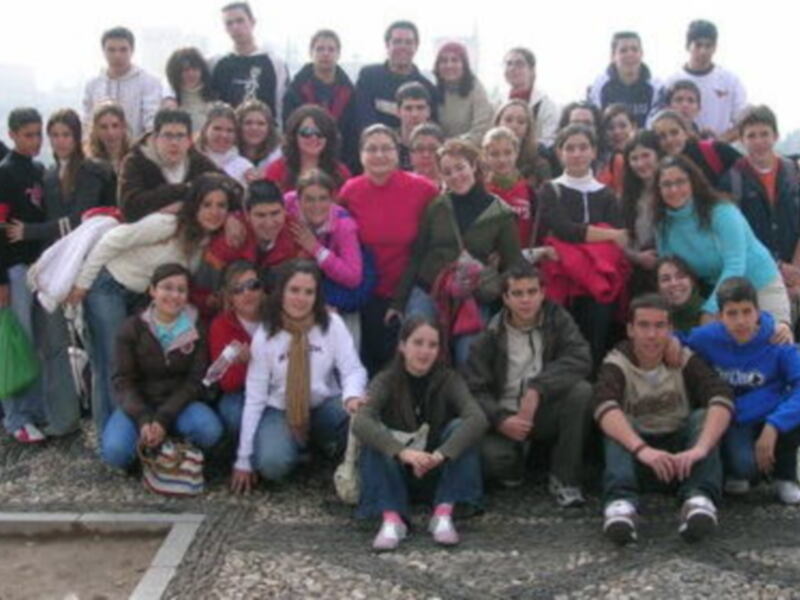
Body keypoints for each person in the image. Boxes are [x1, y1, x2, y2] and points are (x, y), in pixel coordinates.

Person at [67, 173, 238, 434]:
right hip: (109, 284)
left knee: (132, 361)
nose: (214, 212)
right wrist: (83, 283)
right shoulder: (168, 224)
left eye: (221, 206)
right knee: (111, 361)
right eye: (207, 204)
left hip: (143, 295)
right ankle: (110, 434)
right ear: (194, 204)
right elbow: (112, 241)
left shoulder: (204, 241)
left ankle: (140, 432)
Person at [594, 294, 734, 545]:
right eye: (644, 325)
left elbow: (721, 395)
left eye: (660, 326)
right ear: (630, 329)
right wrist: (643, 450)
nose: (652, 335)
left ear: (670, 329)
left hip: (682, 459)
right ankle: (621, 504)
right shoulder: (617, 362)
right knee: (617, 422)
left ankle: (698, 500)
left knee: (703, 416)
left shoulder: (684, 357)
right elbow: (603, 405)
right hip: (638, 458)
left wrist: (700, 449)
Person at [353, 316, 488, 550]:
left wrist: (441, 454)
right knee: (375, 434)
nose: (425, 351)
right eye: (417, 343)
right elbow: (361, 422)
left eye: (432, 345)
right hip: (397, 471)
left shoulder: (449, 378)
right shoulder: (386, 379)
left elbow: (477, 418)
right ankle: (392, 519)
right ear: (402, 346)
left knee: (461, 429)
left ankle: (444, 514)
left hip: (435, 469)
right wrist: (402, 452)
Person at [231, 260, 367, 491]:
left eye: (308, 292)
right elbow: (255, 398)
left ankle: (323, 445)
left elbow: (353, 369)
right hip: (280, 409)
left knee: (361, 416)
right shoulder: (265, 334)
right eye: (294, 290)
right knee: (273, 465)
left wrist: (352, 396)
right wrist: (243, 459)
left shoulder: (332, 324)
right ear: (281, 293)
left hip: (324, 404)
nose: (301, 298)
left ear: (317, 296)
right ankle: (298, 447)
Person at [464, 262, 593, 505]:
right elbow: (475, 389)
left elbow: (580, 357)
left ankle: (565, 479)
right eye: (518, 293)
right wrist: (500, 419)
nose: (526, 300)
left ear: (542, 293)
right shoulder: (489, 336)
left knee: (581, 392)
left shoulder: (557, 319)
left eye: (532, 292)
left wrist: (537, 388)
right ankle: (517, 465)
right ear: (506, 298)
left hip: (542, 410)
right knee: (491, 459)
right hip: (505, 416)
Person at [392, 139, 522, 366]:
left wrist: (503, 297)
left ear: (473, 165)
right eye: (447, 172)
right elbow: (417, 255)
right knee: (416, 357)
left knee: (468, 359)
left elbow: (513, 263)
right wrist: (398, 303)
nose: (455, 176)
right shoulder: (437, 206)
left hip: (471, 295)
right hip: (429, 288)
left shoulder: (500, 213)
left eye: (460, 168)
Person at [686, 277, 800, 504]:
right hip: (737, 419)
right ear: (720, 317)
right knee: (744, 468)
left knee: (793, 410)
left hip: (771, 414)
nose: (741, 321)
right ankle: (739, 471)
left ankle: (784, 477)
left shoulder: (776, 339)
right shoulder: (707, 337)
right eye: (732, 313)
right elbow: (676, 339)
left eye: (747, 312)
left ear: (758, 311)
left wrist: (774, 425)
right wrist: (673, 346)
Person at [101, 263, 223, 469]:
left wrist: (163, 419)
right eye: (167, 287)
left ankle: (173, 446)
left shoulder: (197, 327)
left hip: (180, 403)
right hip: (141, 403)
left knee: (209, 430)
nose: (174, 295)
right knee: (115, 452)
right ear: (152, 290)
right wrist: (143, 419)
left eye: (181, 290)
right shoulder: (132, 327)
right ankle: (149, 450)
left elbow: (196, 381)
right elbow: (123, 380)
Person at [339, 125, 439, 375]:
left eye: (386, 148)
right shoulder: (350, 190)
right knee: (369, 365)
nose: (379, 155)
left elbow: (439, 237)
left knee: (410, 365)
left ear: (398, 153)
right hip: (366, 292)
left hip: (411, 289)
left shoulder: (424, 189)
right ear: (361, 154)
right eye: (371, 149)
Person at [653, 154, 790, 325]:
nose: (674, 190)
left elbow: (735, 264)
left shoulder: (721, 211)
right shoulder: (662, 224)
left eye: (680, 182)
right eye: (667, 184)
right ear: (658, 189)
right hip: (716, 292)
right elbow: (668, 268)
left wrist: (711, 309)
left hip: (759, 283)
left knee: (777, 338)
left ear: (693, 182)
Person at [537, 124, 628, 368]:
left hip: (598, 280)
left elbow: (620, 239)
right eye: (570, 148)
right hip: (562, 278)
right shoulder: (550, 189)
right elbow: (564, 229)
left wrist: (607, 236)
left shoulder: (607, 194)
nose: (577, 154)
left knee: (596, 343)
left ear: (594, 151)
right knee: (559, 345)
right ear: (560, 153)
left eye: (583, 147)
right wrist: (608, 234)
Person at [719, 106, 800, 306]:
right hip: (759, 275)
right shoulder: (731, 180)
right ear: (741, 140)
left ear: (776, 136)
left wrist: (796, 270)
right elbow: (733, 235)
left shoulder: (793, 172)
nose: (758, 142)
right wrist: (779, 267)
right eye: (751, 135)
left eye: (764, 134)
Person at [0, 108, 47, 442]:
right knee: (18, 343)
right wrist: (1, 279)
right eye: (28, 135)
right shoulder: (4, 174)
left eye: (38, 134)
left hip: (39, 267)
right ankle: (16, 417)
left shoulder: (39, 170)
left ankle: (37, 409)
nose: (35, 141)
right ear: (13, 134)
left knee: (40, 342)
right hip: (14, 269)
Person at [285, 169, 364, 343]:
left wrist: (317, 250)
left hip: (334, 296)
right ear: (298, 199)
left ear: (332, 199)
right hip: (297, 293)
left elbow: (353, 276)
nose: (317, 206)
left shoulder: (344, 225)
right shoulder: (288, 205)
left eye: (323, 198)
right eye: (309, 199)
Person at [117, 108, 219, 222]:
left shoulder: (196, 160)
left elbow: (227, 185)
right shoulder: (135, 161)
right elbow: (129, 209)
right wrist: (183, 189)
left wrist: (184, 206)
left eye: (180, 136)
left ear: (189, 140)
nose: (174, 143)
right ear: (155, 138)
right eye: (167, 135)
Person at [282, 29, 359, 172]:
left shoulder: (350, 92)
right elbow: (289, 130)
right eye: (320, 49)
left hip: (340, 163)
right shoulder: (295, 90)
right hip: (302, 163)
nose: (325, 53)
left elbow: (353, 133)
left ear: (338, 54)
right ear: (311, 53)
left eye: (331, 49)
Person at [663, 20, 747, 142]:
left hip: (719, 149)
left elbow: (743, 123)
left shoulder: (730, 81)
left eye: (708, 46)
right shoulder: (671, 81)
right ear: (688, 46)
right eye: (698, 45)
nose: (703, 51)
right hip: (682, 148)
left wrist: (718, 142)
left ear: (715, 47)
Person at [209, 260, 265, 437]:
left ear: (262, 289)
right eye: (238, 289)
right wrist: (244, 363)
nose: (247, 293)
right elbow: (224, 382)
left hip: (275, 386)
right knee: (233, 413)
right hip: (241, 391)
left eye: (253, 285)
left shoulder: (277, 315)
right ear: (229, 297)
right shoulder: (221, 326)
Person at [210, 2, 289, 119]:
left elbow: (281, 104)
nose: (235, 27)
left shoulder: (275, 63)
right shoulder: (216, 63)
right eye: (229, 23)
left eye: (240, 21)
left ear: (252, 22)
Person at [355, 20, 438, 132]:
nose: (403, 47)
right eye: (397, 42)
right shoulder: (369, 77)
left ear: (416, 46)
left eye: (408, 42)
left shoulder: (428, 88)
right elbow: (363, 118)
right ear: (387, 45)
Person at [82, 27, 162, 139]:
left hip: (137, 147)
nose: (117, 55)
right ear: (103, 51)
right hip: (100, 148)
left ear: (132, 50)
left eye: (123, 50)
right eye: (111, 50)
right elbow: (87, 123)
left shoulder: (149, 82)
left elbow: (151, 122)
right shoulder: (93, 85)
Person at [264, 104, 350, 193]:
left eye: (320, 133)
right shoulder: (277, 170)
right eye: (306, 132)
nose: (313, 137)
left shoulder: (340, 173)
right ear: (294, 136)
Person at [587, 31, 662, 128]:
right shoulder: (599, 87)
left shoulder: (656, 87)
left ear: (642, 54)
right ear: (613, 56)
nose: (630, 54)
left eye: (634, 49)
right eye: (623, 50)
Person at [651, 109, 740, 188]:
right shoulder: (657, 165)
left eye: (674, 133)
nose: (669, 140)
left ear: (686, 132)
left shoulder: (713, 149)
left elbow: (745, 168)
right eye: (662, 136)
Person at [620, 130, 663, 293]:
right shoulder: (626, 197)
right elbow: (619, 238)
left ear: (658, 155)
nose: (640, 163)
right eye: (634, 158)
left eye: (646, 155)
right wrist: (637, 257)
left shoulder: (674, 190)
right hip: (639, 272)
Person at [482, 126, 536, 247]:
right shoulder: (479, 191)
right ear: (485, 156)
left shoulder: (529, 190)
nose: (502, 160)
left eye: (508, 153)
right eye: (494, 154)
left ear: (516, 153)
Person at [434, 42, 493, 146]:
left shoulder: (476, 90)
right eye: (444, 61)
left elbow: (481, 130)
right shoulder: (434, 91)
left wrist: (454, 145)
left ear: (464, 65)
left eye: (455, 60)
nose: (449, 65)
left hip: (470, 150)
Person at [502, 47, 559, 147]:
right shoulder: (499, 102)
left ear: (531, 70)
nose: (512, 68)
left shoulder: (546, 105)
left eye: (519, 64)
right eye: (509, 64)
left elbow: (549, 141)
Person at [493, 99, 551, 186]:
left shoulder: (539, 162)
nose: (514, 126)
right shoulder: (483, 158)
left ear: (528, 128)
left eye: (521, 122)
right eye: (508, 120)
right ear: (498, 123)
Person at [196, 102, 255, 185]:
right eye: (217, 129)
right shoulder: (190, 161)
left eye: (230, 130)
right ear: (205, 129)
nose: (224, 135)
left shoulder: (244, 167)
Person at [165, 47, 216, 134]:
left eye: (195, 69)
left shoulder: (214, 101)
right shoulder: (169, 102)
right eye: (186, 70)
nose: (191, 74)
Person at [656, 256, 704, 334]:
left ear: (692, 281)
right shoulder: (654, 316)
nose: (674, 283)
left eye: (680, 276)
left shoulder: (710, 314)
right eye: (666, 279)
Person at [597, 103, 637, 196]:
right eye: (611, 128)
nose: (617, 132)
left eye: (623, 126)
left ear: (634, 127)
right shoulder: (599, 163)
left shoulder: (647, 158)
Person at [85, 101, 131, 175]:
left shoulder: (136, 159)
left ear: (123, 127)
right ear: (96, 130)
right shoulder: (88, 164)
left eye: (115, 126)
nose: (110, 133)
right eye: (104, 127)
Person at [395, 82, 434, 169]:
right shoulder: (388, 146)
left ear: (428, 111)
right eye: (408, 108)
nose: (414, 114)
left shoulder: (439, 145)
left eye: (420, 108)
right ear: (398, 112)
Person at [236, 99, 282, 173]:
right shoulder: (227, 157)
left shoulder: (279, 158)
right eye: (248, 123)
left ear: (269, 128)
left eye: (261, 124)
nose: (254, 128)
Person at [408, 122, 445, 186]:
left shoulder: (454, 185)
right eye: (420, 149)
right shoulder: (401, 187)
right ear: (411, 154)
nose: (426, 155)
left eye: (432, 149)